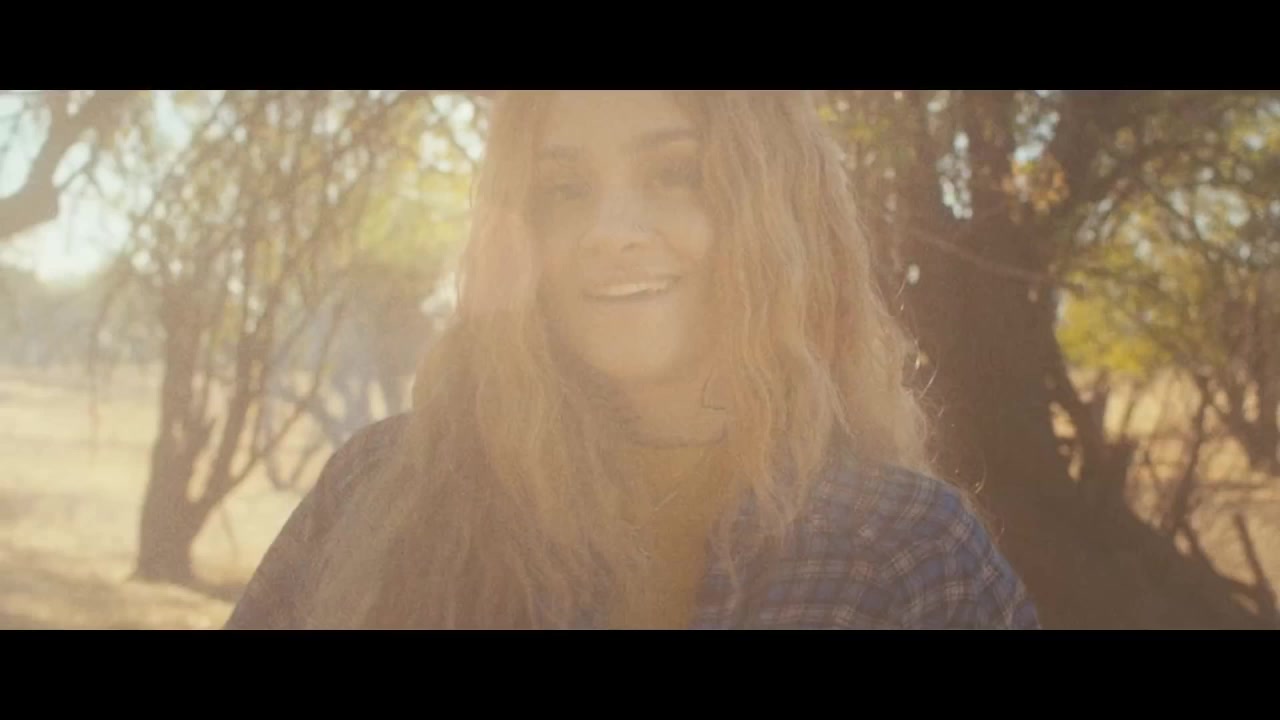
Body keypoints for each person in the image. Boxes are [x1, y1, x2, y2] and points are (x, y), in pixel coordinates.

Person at [223, 90, 1040, 630]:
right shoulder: (378, 487)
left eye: (676, 175)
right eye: (563, 189)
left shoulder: (905, 552)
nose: (609, 231)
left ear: (778, 215)